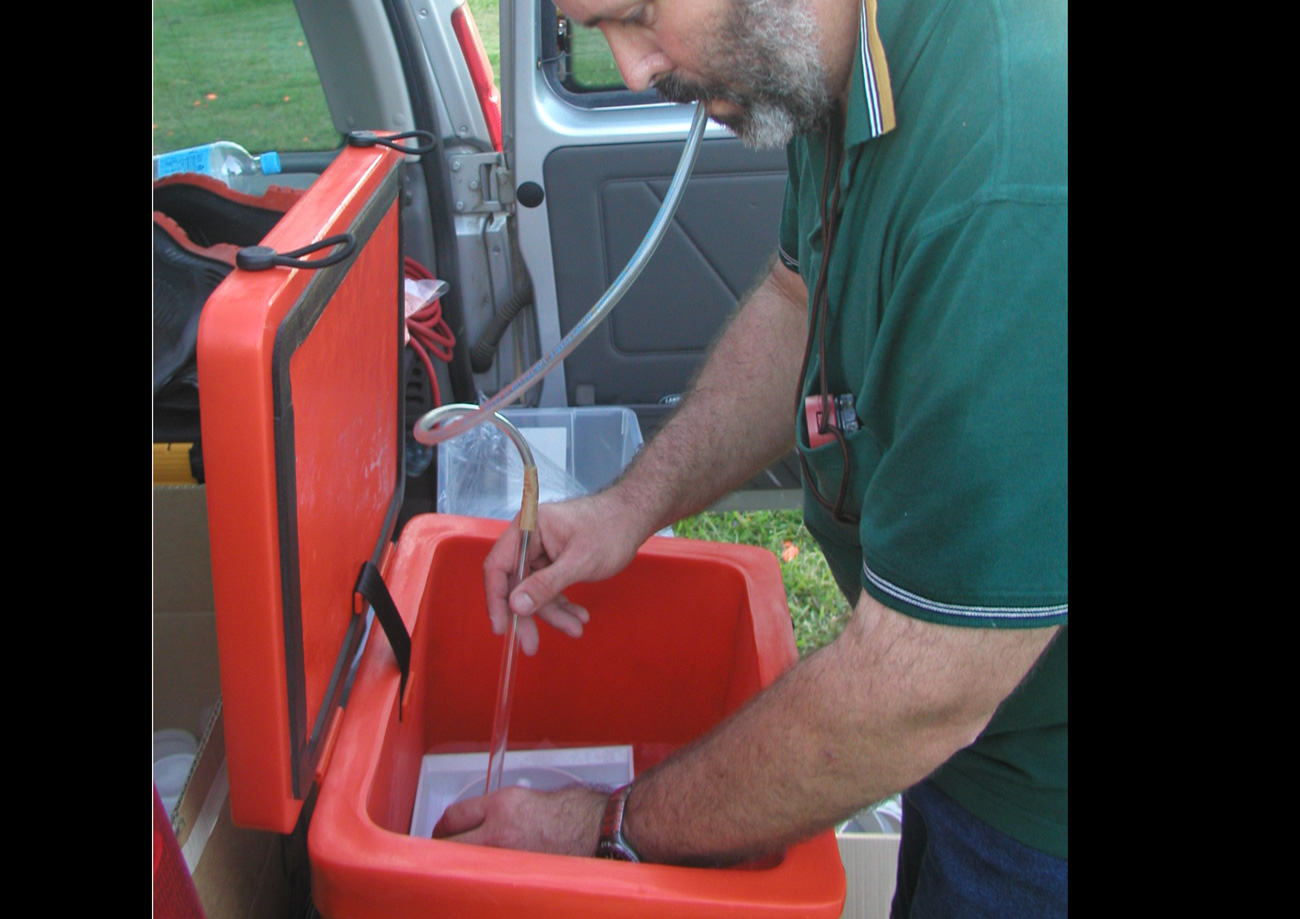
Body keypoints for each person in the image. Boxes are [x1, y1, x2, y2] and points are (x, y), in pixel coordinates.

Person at [433, 0, 1067, 914]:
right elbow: (796, 297)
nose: (635, 71)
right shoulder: (837, 57)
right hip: (970, 755)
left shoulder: (1016, 165)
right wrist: (627, 506)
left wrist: (603, 828)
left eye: (639, 14)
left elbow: (921, 691)